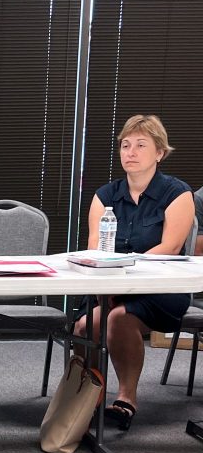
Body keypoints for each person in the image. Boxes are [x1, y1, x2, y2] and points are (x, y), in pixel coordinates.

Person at [74, 114, 193, 431]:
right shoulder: (105, 195)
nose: (131, 151)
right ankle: (89, 397)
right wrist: (112, 279)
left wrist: (123, 272)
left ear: (159, 152)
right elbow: (95, 248)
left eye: (141, 145)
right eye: (126, 145)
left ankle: (126, 399)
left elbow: (170, 246)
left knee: (117, 318)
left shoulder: (177, 193)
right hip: (112, 285)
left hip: (161, 288)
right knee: (85, 326)